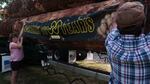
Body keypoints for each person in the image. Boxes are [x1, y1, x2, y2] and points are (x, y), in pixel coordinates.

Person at [105, 1, 150, 84]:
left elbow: (115, 30)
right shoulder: (147, 48)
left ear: (118, 25)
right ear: (143, 24)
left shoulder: (110, 41)